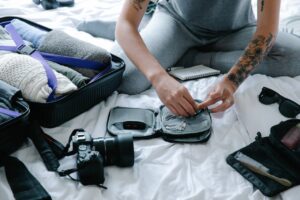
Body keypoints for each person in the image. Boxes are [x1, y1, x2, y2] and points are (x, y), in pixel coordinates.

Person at [78, 0, 300, 117]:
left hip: (235, 29)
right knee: (127, 78)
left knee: (295, 57)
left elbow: (266, 30)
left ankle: (186, 56)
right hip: (177, 24)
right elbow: (126, 23)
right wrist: (159, 77)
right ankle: (149, 25)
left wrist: (232, 81)